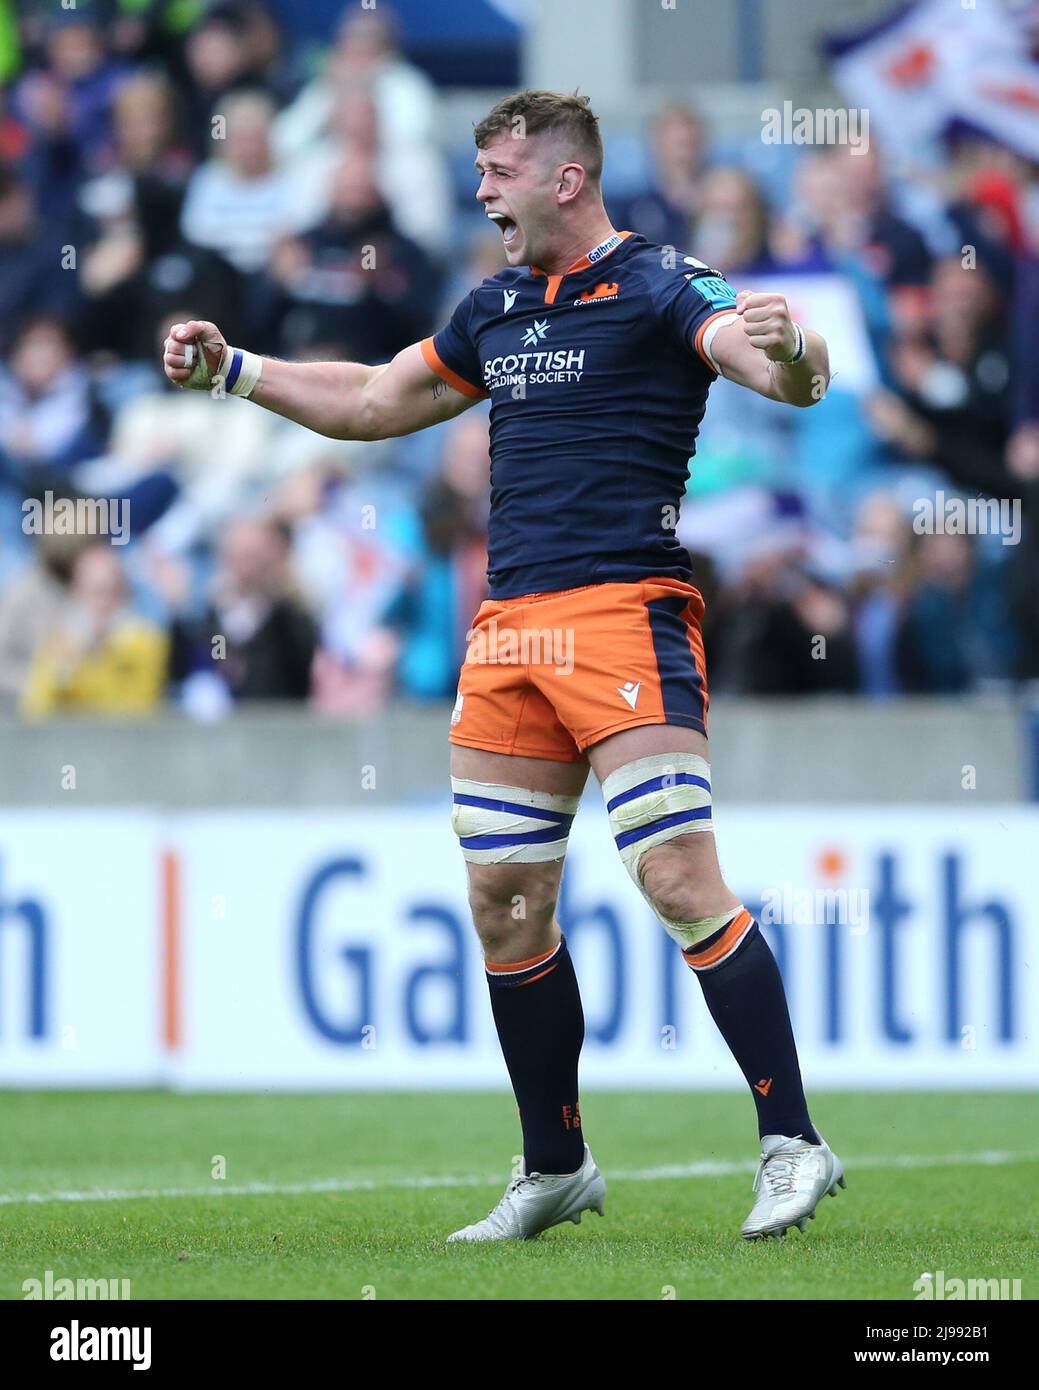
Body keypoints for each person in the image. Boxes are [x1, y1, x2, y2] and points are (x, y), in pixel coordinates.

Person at [161, 89, 842, 1244]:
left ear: (564, 180)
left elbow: (772, 368)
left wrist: (800, 350)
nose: (481, 193)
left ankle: (793, 1143)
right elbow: (379, 398)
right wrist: (239, 371)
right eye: (476, 173)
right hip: (508, 628)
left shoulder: (664, 281)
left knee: (677, 878)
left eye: (497, 172)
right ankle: (555, 1166)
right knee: (506, 904)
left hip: (626, 613)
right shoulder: (497, 306)